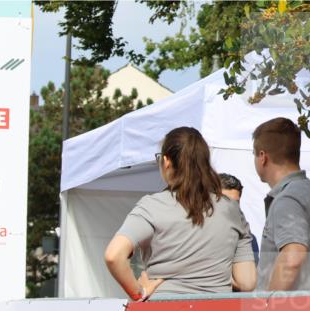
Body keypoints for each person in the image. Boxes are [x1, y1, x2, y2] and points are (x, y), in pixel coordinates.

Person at [104, 126, 256, 297]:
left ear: (167, 162)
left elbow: (114, 255)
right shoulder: (231, 209)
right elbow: (247, 282)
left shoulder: (151, 206)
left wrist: (139, 292)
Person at [252, 117, 310, 291]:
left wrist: (269, 307)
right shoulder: (303, 192)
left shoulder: (287, 200)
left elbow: (292, 257)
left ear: (263, 157)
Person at [219, 173, 260, 261]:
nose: (230, 208)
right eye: (224, 202)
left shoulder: (249, 238)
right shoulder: (196, 233)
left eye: (235, 203)